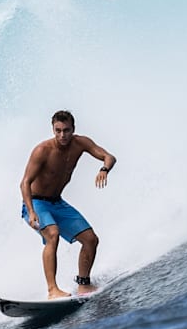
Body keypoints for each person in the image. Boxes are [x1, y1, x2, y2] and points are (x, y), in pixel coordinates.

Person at [19, 110, 117, 299]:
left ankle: (84, 285)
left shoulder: (81, 143)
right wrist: (31, 211)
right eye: (58, 131)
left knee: (91, 240)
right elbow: (25, 183)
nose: (62, 135)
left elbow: (109, 157)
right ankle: (52, 290)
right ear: (53, 130)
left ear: (73, 129)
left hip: (57, 203)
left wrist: (104, 169)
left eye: (66, 130)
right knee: (52, 234)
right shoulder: (43, 150)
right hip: (36, 202)